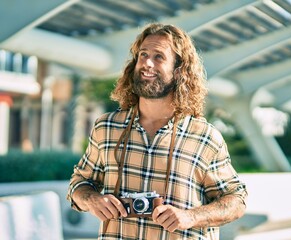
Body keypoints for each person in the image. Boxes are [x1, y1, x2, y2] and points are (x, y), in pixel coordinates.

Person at [67, 23, 247, 240]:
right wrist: (91, 200)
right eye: (143, 55)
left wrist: (191, 217)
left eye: (159, 57)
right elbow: (79, 183)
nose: (147, 64)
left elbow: (236, 200)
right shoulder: (106, 128)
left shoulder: (205, 137)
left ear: (179, 69)